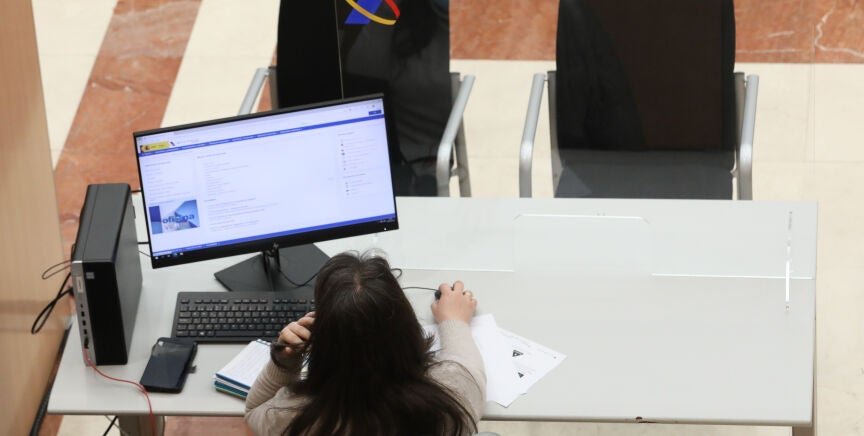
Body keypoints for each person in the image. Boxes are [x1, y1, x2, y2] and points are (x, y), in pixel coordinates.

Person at [245, 251, 486, 435]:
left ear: (324, 339)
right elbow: (466, 361)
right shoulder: (453, 397)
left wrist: (285, 360)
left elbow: (254, 410)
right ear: (406, 327)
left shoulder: (293, 416)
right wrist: (454, 319)